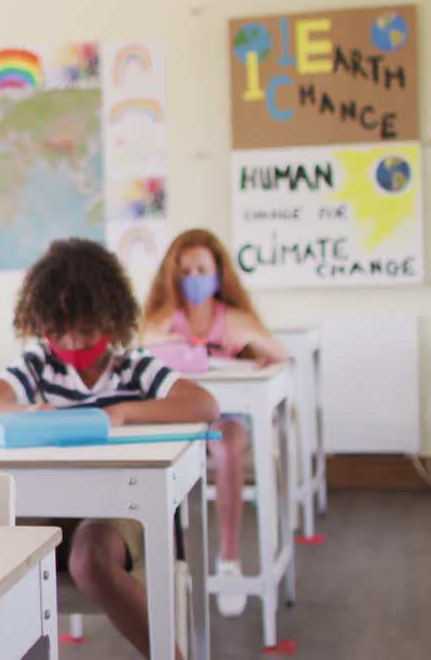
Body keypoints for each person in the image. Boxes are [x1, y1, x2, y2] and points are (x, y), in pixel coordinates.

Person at [0, 238, 218, 659]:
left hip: (121, 508)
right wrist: (31, 409)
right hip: (53, 507)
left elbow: (204, 403)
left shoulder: (133, 367)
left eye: (86, 332)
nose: (73, 344)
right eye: (59, 332)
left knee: (90, 559)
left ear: (111, 322)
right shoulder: (38, 365)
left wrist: (123, 412)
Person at [142, 228, 288, 616]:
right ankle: (169, 564)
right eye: (186, 271)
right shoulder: (163, 319)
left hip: (230, 415)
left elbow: (280, 354)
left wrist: (251, 345)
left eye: (202, 269)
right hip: (182, 416)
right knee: (154, 457)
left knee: (225, 450)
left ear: (219, 272)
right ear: (173, 276)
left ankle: (228, 558)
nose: (194, 279)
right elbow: (140, 349)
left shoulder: (234, 317)